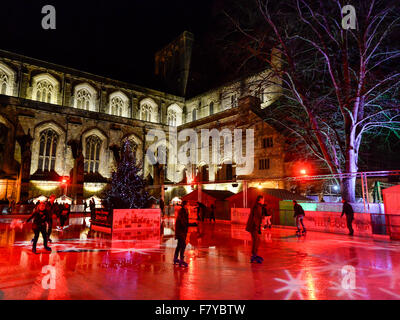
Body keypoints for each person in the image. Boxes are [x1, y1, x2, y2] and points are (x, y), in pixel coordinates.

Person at [246, 195, 264, 263]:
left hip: (254, 226)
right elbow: (256, 218)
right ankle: (254, 254)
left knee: (257, 240)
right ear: (260, 200)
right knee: (256, 240)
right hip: (253, 226)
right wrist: (257, 228)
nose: (263, 201)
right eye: (263, 200)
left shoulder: (258, 206)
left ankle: (254, 254)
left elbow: (258, 217)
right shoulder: (257, 207)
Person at [174, 200, 189, 267]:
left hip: (181, 231)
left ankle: (175, 258)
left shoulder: (183, 211)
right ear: (184, 205)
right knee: (183, 245)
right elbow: (182, 222)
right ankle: (181, 260)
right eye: (187, 205)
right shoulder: (183, 212)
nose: (188, 206)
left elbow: (184, 222)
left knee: (179, 245)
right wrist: (188, 225)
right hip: (181, 231)